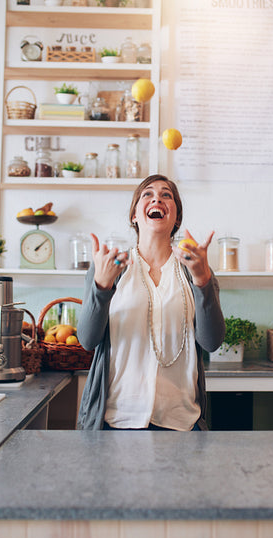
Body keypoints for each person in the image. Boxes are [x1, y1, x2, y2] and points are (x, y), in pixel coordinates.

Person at [77, 174, 225, 430]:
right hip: (116, 420)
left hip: (180, 422)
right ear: (134, 216)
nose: (157, 197)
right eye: (147, 194)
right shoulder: (110, 268)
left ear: (176, 218)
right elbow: (88, 340)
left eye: (166, 194)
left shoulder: (195, 270)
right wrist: (101, 286)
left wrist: (202, 279)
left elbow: (211, 342)